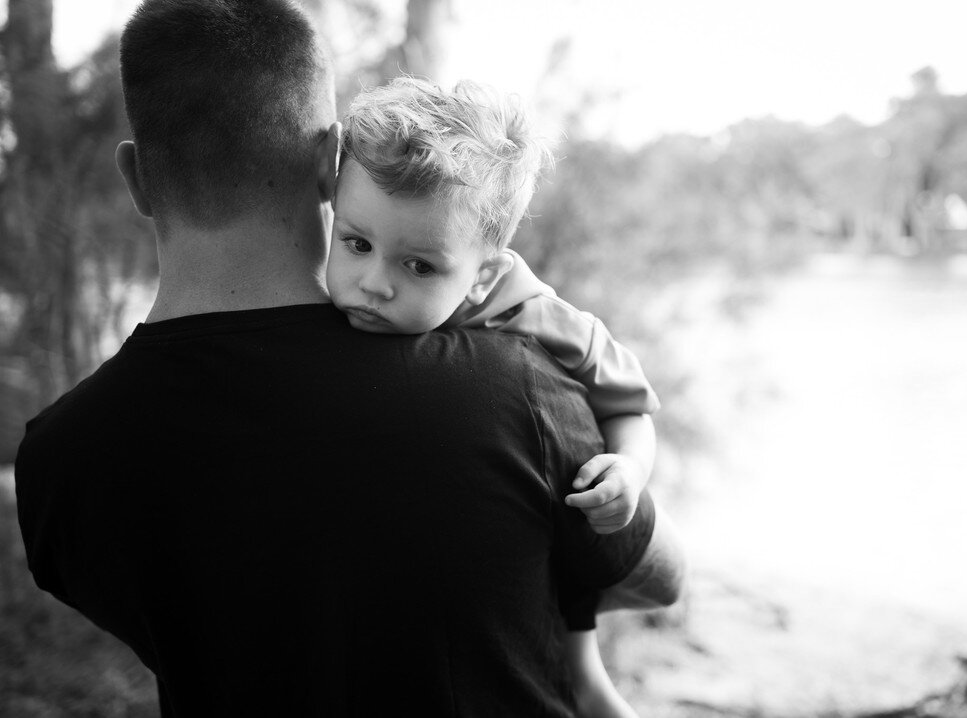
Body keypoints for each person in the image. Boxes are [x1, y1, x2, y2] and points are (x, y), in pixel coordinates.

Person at [14, 2, 687, 718]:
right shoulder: (513, 385)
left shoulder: (60, 462)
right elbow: (660, 577)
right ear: (328, 162)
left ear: (137, 178)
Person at [329, 77, 660, 717]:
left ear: (481, 277)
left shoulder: (541, 321)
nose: (373, 284)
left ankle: (589, 680)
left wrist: (630, 469)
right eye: (357, 244)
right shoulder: (323, 289)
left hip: (535, 558)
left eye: (419, 266)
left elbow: (630, 403)